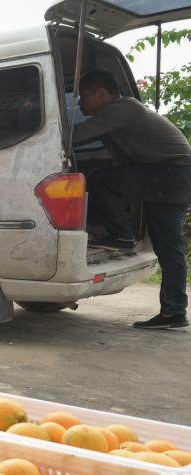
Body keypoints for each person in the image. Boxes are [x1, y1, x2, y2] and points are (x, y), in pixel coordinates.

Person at [75, 69, 191, 329]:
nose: (80, 104)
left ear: (102, 93)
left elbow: (75, 135)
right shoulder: (122, 113)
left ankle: (121, 235)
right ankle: (174, 312)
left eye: (83, 97)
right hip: (177, 175)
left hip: (170, 173)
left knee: (100, 179)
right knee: (168, 248)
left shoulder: (122, 110)